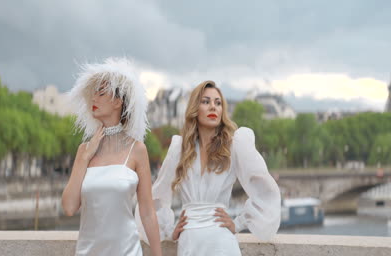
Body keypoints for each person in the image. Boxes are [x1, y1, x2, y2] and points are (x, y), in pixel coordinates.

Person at [136, 80, 281, 255]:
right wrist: (169, 230)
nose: (213, 107)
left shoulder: (234, 145)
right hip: (189, 243)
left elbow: (265, 189)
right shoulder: (179, 148)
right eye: (206, 102)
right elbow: (157, 195)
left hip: (222, 243)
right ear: (195, 109)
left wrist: (239, 223)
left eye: (218, 103)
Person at [62, 58, 162, 256]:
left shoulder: (137, 150)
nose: (94, 99)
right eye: (93, 94)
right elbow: (69, 207)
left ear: (118, 102)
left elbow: (148, 212)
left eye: (101, 93)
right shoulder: (84, 150)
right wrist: (85, 157)